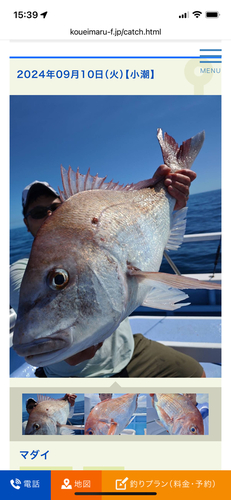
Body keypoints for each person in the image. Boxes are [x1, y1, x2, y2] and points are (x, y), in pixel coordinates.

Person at [11, 165, 205, 378]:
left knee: (194, 372)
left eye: (56, 208)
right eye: (38, 213)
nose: (49, 215)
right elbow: (71, 351)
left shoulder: (93, 236)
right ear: (26, 223)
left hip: (127, 352)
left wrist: (168, 195)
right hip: (69, 378)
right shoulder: (18, 271)